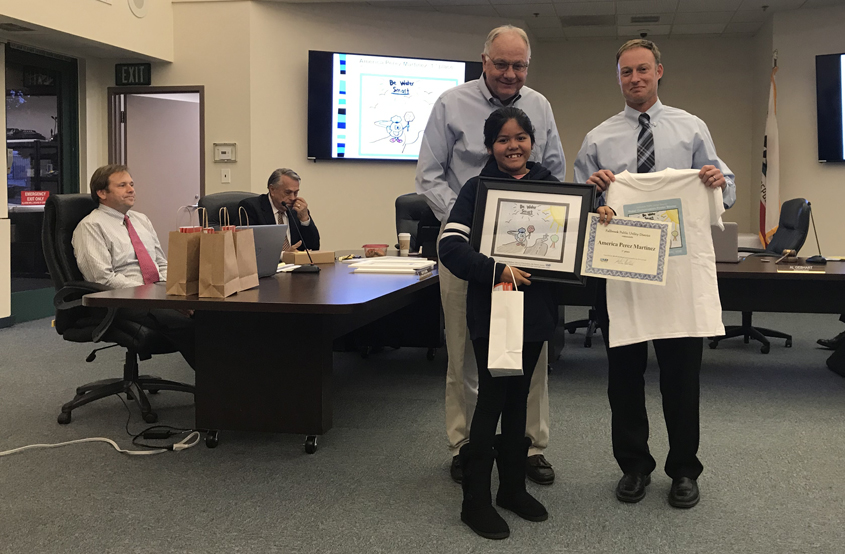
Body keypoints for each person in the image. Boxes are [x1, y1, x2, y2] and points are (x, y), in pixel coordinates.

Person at [573, 39, 736, 509]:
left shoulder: (691, 128)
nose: (635, 79)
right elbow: (583, 207)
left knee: (681, 376)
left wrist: (714, 182)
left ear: (659, 71)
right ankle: (633, 466)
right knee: (623, 377)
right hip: (619, 272)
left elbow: (723, 191)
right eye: (626, 72)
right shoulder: (598, 138)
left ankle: (684, 469)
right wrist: (593, 193)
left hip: (677, 276)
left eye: (642, 70)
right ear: (618, 77)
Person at [415, 24, 565, 486]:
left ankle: (530, 445)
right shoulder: (450, 103)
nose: (510, 73)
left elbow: (554, 170)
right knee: (463, 349)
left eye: (519, 65)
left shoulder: (538, 104)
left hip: (528, 256)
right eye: (501, 63)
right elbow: (428, 175)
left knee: (532, 351)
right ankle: (464, 444)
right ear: (484, 61)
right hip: (466, 254)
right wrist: (473, 220)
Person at [440, 107, 556, 540]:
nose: (513, 146)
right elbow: (451, 247)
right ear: (490, 146)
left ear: (531, 141)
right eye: (504, 139)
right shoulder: (477, 189)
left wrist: (599, 215)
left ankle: (510, 489)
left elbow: (573, 240)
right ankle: (476, 501)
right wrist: (498, 270)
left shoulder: (551, 186)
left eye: (521, 137)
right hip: (494, 309)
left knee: (520, 399)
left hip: (537, 310)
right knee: (491, 400)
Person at [72, 164, 195, 369]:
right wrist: (157, 297)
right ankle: (216, 387)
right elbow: (102, 279)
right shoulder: (91, 226)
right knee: (187, 323)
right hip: (122, 299)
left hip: (154, 293)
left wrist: (175, 290)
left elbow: (161, 264)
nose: (131, 190)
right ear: (102, 193)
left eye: (131, 184)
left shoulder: (141, 220)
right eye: (122, 185)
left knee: (210, 311)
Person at [238, 168, 320, 252]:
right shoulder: (251, 208)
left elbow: (314, 247)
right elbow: (247, 248)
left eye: (296, 193)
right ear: (272, 190)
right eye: (287, 192)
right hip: (268, 264)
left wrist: (304, 219)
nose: (293, 198)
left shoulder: (297, 210)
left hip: (297, 264)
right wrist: (283, 255)